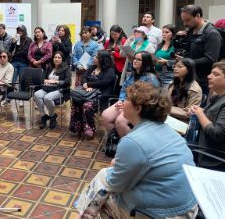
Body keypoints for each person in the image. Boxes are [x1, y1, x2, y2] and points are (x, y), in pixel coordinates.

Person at [77, 82, 197, 219]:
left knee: (103, 179)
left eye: (127, 99)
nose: (123, 102)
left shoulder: (132, 141)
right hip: (187, 206)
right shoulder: (169, 131)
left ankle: (84, 214)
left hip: (165, 213)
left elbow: (117, 184)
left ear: (138, 108)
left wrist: (116, 167)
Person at [102, 51, 161, 137]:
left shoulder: (151, 78)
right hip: (126, 102)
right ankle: (116, 139)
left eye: (139, 59)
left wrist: (130, 104)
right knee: (105, 116)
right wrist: (121, 100)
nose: (135, 61)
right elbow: (123, 89)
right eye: (134, 58)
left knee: (120, 121)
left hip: (139, 107)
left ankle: (129, 144)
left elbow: (151, 98)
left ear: (145, 62)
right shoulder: (132, 74)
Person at [188, 60, 225, 171]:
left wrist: (200, 114)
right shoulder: (217, 97)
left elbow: (218, 134)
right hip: (200, 149)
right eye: (210, 73)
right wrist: (197, 111)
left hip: (213, 161)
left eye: (216, 74)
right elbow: (212, 117)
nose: (209, 76)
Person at [69, 51, 116, 138]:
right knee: (76, 101)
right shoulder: (92, 67)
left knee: (87, 105)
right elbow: (83, 77)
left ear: (103, 60)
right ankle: (78, 128)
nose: (94, 58)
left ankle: (89, 129)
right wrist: (85, 85)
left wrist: (90, 85)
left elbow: (104, 82)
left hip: (100, 96)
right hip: (87, 92)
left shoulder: (110, 71)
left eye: (97, 57)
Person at [179, 5, 222, 95]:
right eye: (183, 21)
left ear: (197, 16)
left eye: (187, 20)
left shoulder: (212, 34)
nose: (185, 24)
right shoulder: (190, 31)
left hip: (203, 81)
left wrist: (187, 63)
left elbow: (210, 59)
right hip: (190, 78)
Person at [34, 51, 71, 130]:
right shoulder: (49, 67)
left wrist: (55, 81)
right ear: (53, 59)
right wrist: (45, 80)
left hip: (60, 89)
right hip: (48, 88)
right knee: (36, 94)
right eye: (55, 57)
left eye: (59, 58)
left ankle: (52, 116)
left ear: (62, 59)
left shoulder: (66, 68)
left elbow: (68, 81)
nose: (57, 59)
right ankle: (43, 116)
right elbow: (43, 78)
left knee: (47, 98)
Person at [104, 25, 127, 95]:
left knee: (118, 86)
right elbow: (103, 51)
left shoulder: (124, 41)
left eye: (115, 34)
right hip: (109, 65)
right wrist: (106, 52)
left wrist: (114, 54)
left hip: (119, 67)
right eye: (111, 34)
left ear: (120, 33)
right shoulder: (108, 41)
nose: (113, 36)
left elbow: (124, 56)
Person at [154, 24, 175, 89]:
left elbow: (180, 61)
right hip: (157, 74)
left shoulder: (175, 46)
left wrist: (166, 61)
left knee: (166, 96)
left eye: (167, 32)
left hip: (169, 75)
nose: (163, 34)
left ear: (173, 34)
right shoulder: (159, 45)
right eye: (162, 32)